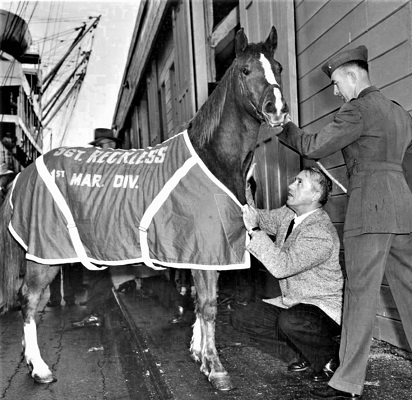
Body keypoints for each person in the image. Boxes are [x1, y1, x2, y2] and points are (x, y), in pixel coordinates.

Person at [277, 46, 412, 399]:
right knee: (411, 295)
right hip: (402, 209)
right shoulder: (399, 112)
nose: (336, 92)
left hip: (369, 210)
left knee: (359, 297)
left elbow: (315, 145)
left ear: (352, 76)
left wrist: (283, 128)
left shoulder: (358, 109)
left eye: (337, 83)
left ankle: (347, 383)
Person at [232, 166, 343, 382]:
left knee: (291, 322)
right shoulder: (288, 214)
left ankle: (330, 357)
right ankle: (304, 353)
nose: (290, 185)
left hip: (322, 309)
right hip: (292, 304)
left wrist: (255, 232)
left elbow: (282, 267)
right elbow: (257, 217)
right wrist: (245, 183)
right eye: (294, 180)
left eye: (300, 182)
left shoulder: (319, 232)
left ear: (315, 195)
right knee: (241, 318)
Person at [72, 128, 122, 327]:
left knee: (100, 272)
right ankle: (97, 311)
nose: (99, 151)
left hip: (109, 228)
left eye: (100, 146)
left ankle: (178, 304)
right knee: (98, 273)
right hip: (107, 227)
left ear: (111, 145)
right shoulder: (114, 166)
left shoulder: (113, 167)